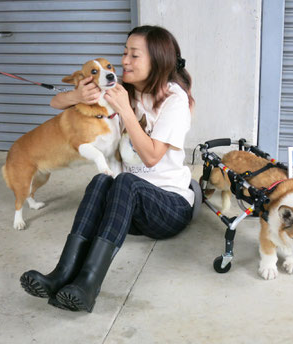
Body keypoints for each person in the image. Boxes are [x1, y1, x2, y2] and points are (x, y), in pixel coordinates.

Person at [20, 25, 195, 313]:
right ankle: (60, 276)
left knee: (123, 181)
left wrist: (126, 110)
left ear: (157, 60)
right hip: (128, 208)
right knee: (101, 180)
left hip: (169, 206)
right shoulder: (121, 85)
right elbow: (56, 102)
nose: (125, 61)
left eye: (134, 55)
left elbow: (151, 157)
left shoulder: (174, 101)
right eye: (124, 53)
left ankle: (88, 285)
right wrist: (78, 96)